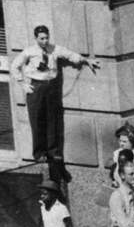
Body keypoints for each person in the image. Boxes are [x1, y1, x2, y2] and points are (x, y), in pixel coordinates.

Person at [13, 23, 100, 164]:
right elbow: (15, 66)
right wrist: (23, 84)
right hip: (36, 87)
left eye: (46, 38)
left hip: (52, 87)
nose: (45, 41)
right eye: (41, 38)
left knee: (52, 120)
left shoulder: (54, 49)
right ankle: (39, 153)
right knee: (37, 120)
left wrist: (86, 61)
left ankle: (53, 152)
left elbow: (70, 55)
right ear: (36, 38)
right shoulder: (29, 52)